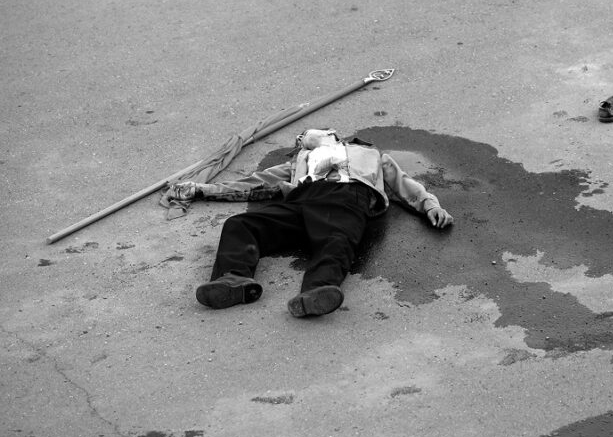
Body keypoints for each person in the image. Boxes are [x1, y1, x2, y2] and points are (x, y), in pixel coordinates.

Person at [165, 128, 454, 318]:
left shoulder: (370, 154)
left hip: (348, 195)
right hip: (302, 200)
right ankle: (233, 279)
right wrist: (202, 189)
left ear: (330, 134)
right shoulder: (299, 162)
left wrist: (430, 204)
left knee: (337, 240)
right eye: (300, 139)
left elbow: (403, 184)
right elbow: (255, 184)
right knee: (241, 225)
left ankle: (317, 290)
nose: (300, 139)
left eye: (304, 135)